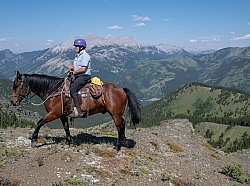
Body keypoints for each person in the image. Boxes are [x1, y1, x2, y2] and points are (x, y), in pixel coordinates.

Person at [68, 38, 91, 118]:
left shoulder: (85, 56)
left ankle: (79, 111)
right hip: (78, 76)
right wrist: (72, 67)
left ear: (81, 47)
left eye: (76, 46)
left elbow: (83, 69)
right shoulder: (78, 56)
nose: (75, 47)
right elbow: (77, 66)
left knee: (73, 89)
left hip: (84, 76)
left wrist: (73, 72)